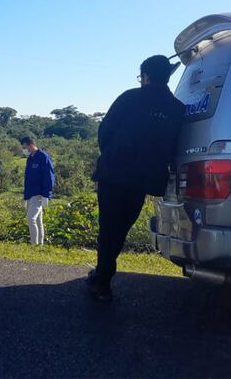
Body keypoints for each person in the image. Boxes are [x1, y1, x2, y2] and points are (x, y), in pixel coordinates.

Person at [86, 55, 183, 301]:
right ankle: (102, 275)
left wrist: (111, 156)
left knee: (108, 226)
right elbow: (173, 146)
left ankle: (103, 279)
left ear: (146, 77)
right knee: (121, 228)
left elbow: (105, 131)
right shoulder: (176, 109)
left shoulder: (129, 97)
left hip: (114, 172)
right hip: (143, 180)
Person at [20, 136, 56, 246]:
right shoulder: (30, 158)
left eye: (24, 147)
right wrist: (26, 197)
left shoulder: (43, 157)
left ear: (31, 145)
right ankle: (40, 244)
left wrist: (46, 195)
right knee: (38, 220)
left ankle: (34, 244)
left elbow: (49, 177)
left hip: (39, 194)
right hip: (30, 194)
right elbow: (28, 178)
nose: (24, 150)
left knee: (31, 218)